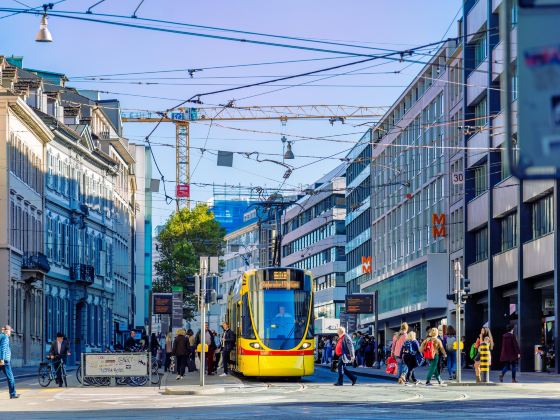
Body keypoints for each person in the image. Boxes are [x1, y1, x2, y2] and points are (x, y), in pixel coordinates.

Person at [0, 326, 19, 399]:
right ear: (6, 331)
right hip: (5, 361)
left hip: (2, 360)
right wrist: (2, 359)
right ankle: (13, 394)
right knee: (10, 378)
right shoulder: (5, 337)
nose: (10, 332)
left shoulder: (1, 336)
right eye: (10, 331)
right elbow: (3, 348)